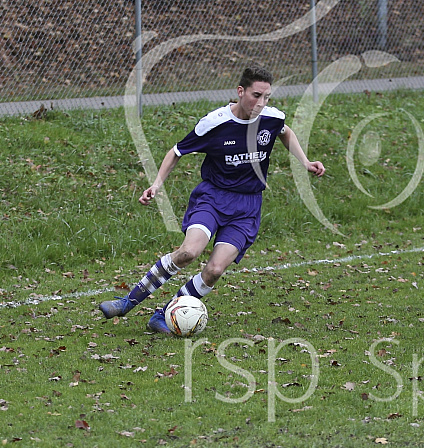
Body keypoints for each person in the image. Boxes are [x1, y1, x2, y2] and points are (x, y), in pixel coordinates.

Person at [99, 65, 325, 334]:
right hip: (213, 198)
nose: (261, 103)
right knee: (187, 253)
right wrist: (157, 184)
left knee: (215, 269)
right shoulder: (215, 123)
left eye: (267, 97)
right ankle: (127, 302)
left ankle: (164, 314)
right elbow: (176, 151)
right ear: (240, 92)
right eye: (256, 95)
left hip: (247, 206)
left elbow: (285, 132)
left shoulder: (271, 118)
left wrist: (305, 161)